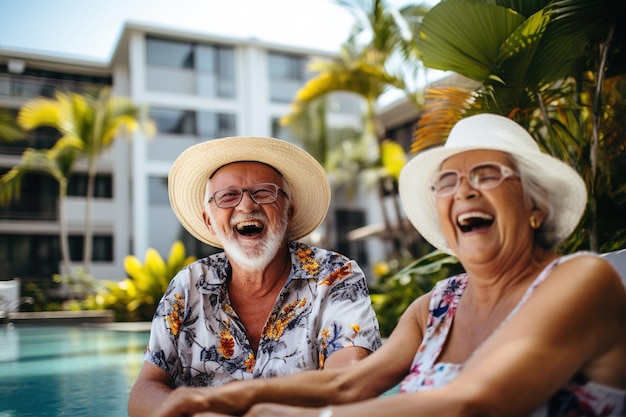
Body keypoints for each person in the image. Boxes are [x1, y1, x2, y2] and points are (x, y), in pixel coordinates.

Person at [151, 114, 626, 417]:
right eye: (448, 182)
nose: (464, 192)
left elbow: (472, 403)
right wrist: (228, 399)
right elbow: (346, 381)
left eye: (487, 175)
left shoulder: (583, 279)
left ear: (534, 205)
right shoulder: (435, 307)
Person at [127, 136, 382, 417]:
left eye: (263, 193)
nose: (246, 206)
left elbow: (348, 381)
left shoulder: (335, 276)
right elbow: (146, 387)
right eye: (228, 196)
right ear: (209, 222)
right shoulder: (188, 285)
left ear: (289, 211)